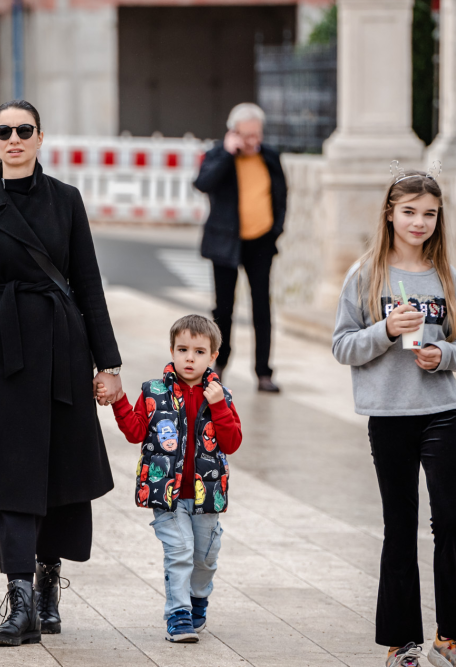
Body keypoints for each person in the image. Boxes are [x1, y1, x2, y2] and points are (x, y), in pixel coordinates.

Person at [0, 99, 123, 646]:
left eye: (24, 130)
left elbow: (89, 283)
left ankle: (46, 583)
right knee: (8, 471)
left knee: (59, 471)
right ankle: (19, 598)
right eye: (4, 131)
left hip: (63, 348)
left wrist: (107, 364)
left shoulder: (67, 200)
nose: (14, 139)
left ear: (41, 138)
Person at [332, 169, 456, 667]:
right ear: (390, 213)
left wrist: (444, 355)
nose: (419, 222)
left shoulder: (445, 275)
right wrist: (385, 330)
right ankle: (402, 643)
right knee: (400, 526)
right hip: (389, 414)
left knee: (451, 524)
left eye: (429, 214)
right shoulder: (367, 274)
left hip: (442, 411)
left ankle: (452, 637)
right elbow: (342, 346)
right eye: (410, 211)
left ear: (439, 219)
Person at [106, 315, 241, 643]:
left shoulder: (221, 396)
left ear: (213, 356)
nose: (189, 358)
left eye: (198, 351)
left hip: (206, 496)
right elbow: (135, 431)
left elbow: (232, 443)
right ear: (171, 350)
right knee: (179, 550)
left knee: (205, 557)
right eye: (182, 349)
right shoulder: (153, 393)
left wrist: (220, 406)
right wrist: (120, 401)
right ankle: (178, 614)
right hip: (166, 493)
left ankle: (197, 600)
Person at [193, 102, 286, 393]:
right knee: (223, 308)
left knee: (261, 307)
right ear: (233, 133)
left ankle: (263, 372)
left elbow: (281, 194)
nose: (253, 142)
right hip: (225, 242)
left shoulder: (269, 157)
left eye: (257, 135)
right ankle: (219, 365)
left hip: (260, 242)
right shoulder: (217, 156)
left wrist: (276, 230)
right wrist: (227, 153)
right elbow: (202, 183)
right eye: (247, 136)